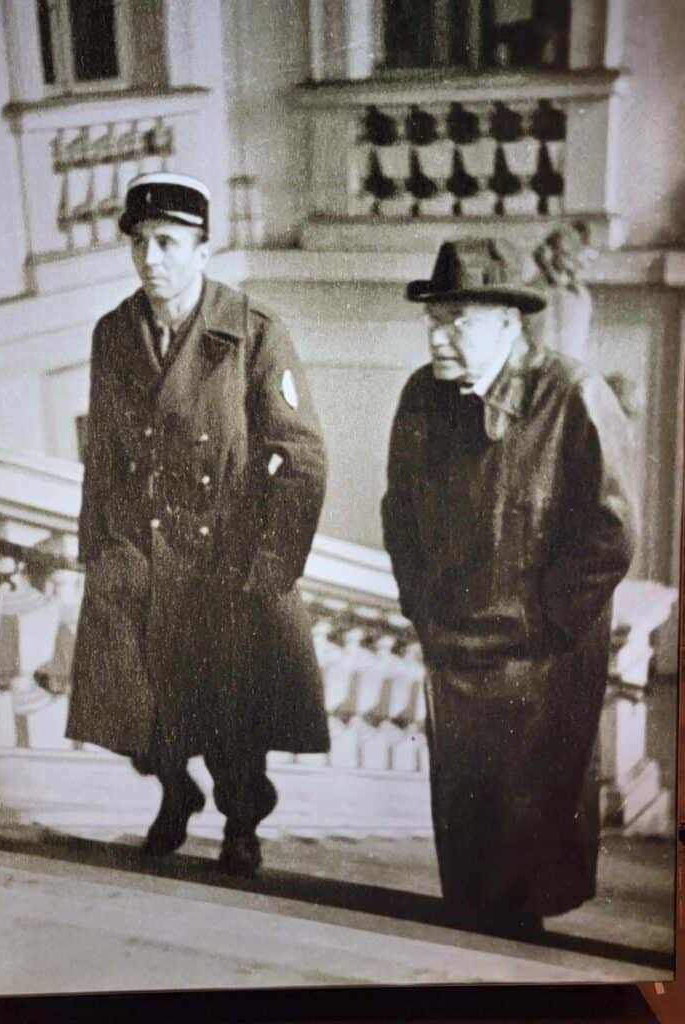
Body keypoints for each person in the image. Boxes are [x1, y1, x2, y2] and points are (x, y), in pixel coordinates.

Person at [67, 172, 329, 875]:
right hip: (137, 550)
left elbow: (302, 457)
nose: (150, 258)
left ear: (203, 251)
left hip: (224, 558)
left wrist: (273, 564)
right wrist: (95, 546)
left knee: (232, 714)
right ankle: (175, 793)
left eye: (168, 243)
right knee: (135, 706)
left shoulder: (253, 332)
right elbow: (102, 452)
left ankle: (241, 821)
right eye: (140, 242)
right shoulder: (113, 333)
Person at [382, 238, 636, 935]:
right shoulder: (419, 398)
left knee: (528, 856)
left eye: (455, 321)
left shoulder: (573, 395)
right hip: (454, 647)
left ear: (505, 322)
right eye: (432, 320)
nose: (437, 335)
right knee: (466, 838)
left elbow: (612, 533)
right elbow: (398, 513)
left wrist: (545, 624)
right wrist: (423, 609)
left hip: (539, 660)